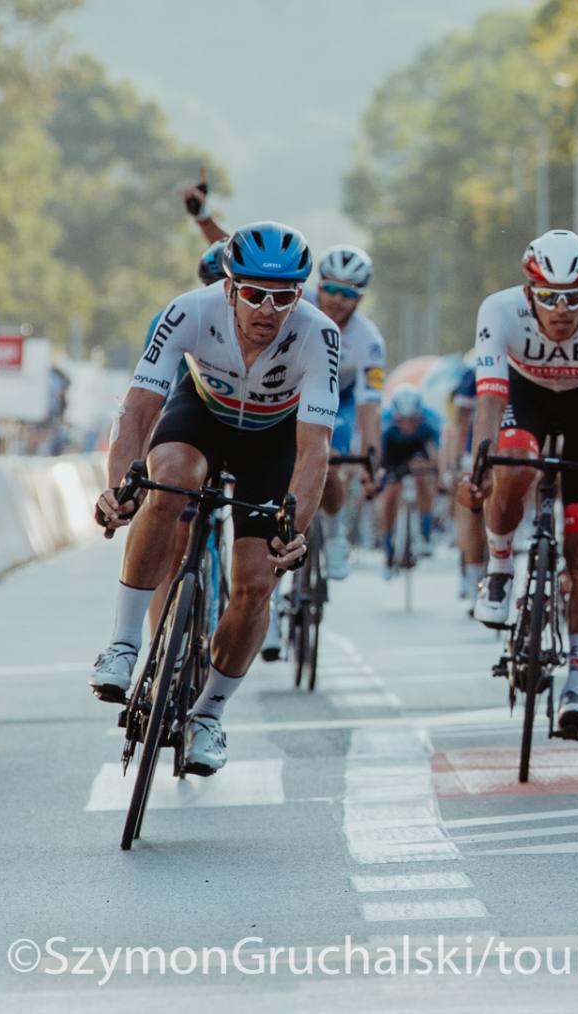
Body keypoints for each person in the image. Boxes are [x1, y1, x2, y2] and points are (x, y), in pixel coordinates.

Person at [91, 222, 337, 776]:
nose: (268, 309)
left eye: (284, 296)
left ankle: (209, 714)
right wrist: (116, 487)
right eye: (253, 293)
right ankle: (125, 644)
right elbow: (137, 410)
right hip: (202, 418)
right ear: (229, 288)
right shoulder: (189, 311)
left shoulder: (318, 335)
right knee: (169, 478)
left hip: (272, 441)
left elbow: (314, 449)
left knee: (254, 582)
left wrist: (292, 526)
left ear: (300, 295)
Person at [457, 229, 578, 740]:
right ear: (528, 292)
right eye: (549, 296)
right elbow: (487, 402)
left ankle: (577, 688)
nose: (562, 309)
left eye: (574, 296)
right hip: (527, 399)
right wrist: (480, 467)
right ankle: (500, 568)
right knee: (514, 464)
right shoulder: (500, 311)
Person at [308, 245, 387, 582]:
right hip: (294, 389)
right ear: (318, 286)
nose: (337, 300)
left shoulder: (368, 341)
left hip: (340, 399)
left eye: (348, 293)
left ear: (360, 298)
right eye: (330, 289)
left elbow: (370, 409)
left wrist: (372, 461)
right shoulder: (297, 309)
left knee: (330, 456)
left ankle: (336, 532)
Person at [374, 386, 441, 578]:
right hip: (393, 453)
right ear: (395, 417)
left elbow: (438, 455)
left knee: (424, 478)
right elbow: (378, 456)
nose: (408, 426)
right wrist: (376, 476)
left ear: (420, 416)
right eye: (403, 420)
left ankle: (425, 531)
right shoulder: (385, 422)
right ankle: (388, 547)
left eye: (413, 420)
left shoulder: (431, 421)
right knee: (389, 494)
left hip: (418, 451)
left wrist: (439, 476)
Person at [442, 356, 483, 604]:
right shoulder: (472, 375)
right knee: (468, 510)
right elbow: (460, 421)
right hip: (472, 450)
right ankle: (472, 573)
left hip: (509, 446)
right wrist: (457, 459)